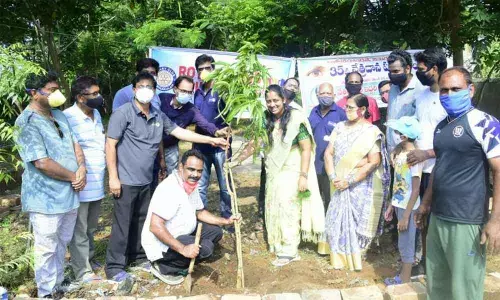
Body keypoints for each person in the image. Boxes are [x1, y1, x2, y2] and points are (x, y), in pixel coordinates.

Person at [105, 71, 227, 282]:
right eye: (141, 86)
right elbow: (110, 144)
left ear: (154, 92)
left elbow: (181, 132)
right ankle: (115, 266)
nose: (146, 91)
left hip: (146, 178)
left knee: (141, 221)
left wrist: (211, 141)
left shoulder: (157, 115)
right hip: (126, 179)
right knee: (122, 224)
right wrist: (113, 177)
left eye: (150, 87)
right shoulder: (123, 113)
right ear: (134, 89)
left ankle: (139, 257)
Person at [415, 67, 500, 300]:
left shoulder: (485, 123)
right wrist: (426, 204)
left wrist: (496, 219)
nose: (449, 95)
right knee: (438, 284)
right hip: (439, 216)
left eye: (456, 89)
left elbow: (499, 169)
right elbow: (440, 166)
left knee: (464, 289)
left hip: (467, 220)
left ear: (470, 90)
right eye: (444, 90)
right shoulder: (441, 127)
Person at [230, 85, 325, 267]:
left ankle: (290, 250)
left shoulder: (296, 119)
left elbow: (306, 149)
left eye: (276, 100)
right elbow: (256, 143)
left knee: (288, 208)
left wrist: (303, 176)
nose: (272, 104)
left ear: (284, 100)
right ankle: (279, 243)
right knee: (274, 205)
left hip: (293, 168)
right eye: (269, 101)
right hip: (274, 171)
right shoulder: (266, 119)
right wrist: (236, 161)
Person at [15, 71, 86, 298]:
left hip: (68, 194)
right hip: (45, 197)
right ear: (34, 94)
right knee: (46, 247)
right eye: (52, 90)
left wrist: (82, 168)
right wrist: (74, 176)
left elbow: (75, 143)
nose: (57, 94)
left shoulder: (59, 115)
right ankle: (46, 292)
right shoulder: (26, 123)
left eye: (57, 89)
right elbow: (42, 163)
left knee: (61, 242)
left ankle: (57, 283)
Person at [141, 149, 240, 285]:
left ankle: (186, 254)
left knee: (216, 232)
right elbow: (155, 226)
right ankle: (164, 267)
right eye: (191, 169)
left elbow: (200, 212)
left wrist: (225, 220)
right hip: (162, 244)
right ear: (181, 167)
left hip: (181, 232)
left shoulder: (189, 185)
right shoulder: (170, 189)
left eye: (199, 171)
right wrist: (183, 249)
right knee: (206, 248)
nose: (196, 174)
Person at [324, 94, 390, 271]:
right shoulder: (339, 127)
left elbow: (374, 161)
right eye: (346, 107)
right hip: (338, 181)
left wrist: (350, 180)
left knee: (355, 219)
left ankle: (354, 255)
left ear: (362, 110)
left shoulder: (371, 132)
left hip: (358, 185)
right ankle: (338, 256)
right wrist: (333, 177)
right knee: (337, 218)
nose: (346, 110)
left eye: (350, 108)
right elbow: (328, 153)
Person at [406, 48, 448, 274]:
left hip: (440, 168)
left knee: (439, 219)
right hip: (419, 169)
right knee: (422, 217)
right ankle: (425, 263)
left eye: (421, 69)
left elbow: (452, 140)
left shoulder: (449, 98)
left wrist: (427, 153)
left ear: (434, 69)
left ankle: (442, 266)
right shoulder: (421, 96)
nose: (418, 73)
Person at [63, 76, 105, 283]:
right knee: (78, 228)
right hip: (80, 183)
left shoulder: (96, 113)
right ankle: (82, 271)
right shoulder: (66, 117)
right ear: (80, 97)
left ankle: (88, 258)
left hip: (97, 182)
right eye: (94, 94)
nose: (99, 97)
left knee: (90, 227)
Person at [159, 76, 228, 175]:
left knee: (170, 175)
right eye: (183, 91)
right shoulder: (162, 98)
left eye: (189, 92)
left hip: (170, 146)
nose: (186, 94)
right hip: (153, 144)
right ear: (175, 89)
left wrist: (217, 132)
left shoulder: (191, 110)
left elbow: (205, 124)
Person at [383, 116, 423, 285]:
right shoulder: (401, 154)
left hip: (409, 208)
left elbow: (415, 189)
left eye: (398, 132)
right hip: (400, 205)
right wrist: (392, 205)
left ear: (404, 136)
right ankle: (403, 275)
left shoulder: (413, 158)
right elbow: (398, 183)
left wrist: (406, 215)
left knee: (407, 243)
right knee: (403, 241)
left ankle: (405, 279)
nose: (396, 134)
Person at [193, 54, 232, 219]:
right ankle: (201, 217)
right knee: (201, 185)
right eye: (200, 69)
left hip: (220, 146)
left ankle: (227, 217)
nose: (203, 71)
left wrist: (227, 134)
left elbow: (231, 117)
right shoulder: (197, 92)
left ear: (213, 69)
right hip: (201, 145)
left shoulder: (223, 90)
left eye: (207, 68)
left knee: (225, 186)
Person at [308, 82, 347, 209]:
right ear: (318, 95)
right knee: (316, 197)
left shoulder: (341, 113)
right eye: (323, 93)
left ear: (334, 95)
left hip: (332, 165)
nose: (326, 96)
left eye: (328, 93)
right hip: (315, 164)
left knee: (331, 198)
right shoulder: (313, 111)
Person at [386, 50, 423, 154]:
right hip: (392, 150)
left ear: (407, 69)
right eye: (390, 72)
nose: (392, 75)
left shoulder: (419, 89)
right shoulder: (393, 88)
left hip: (410, 152)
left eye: (396, 71)